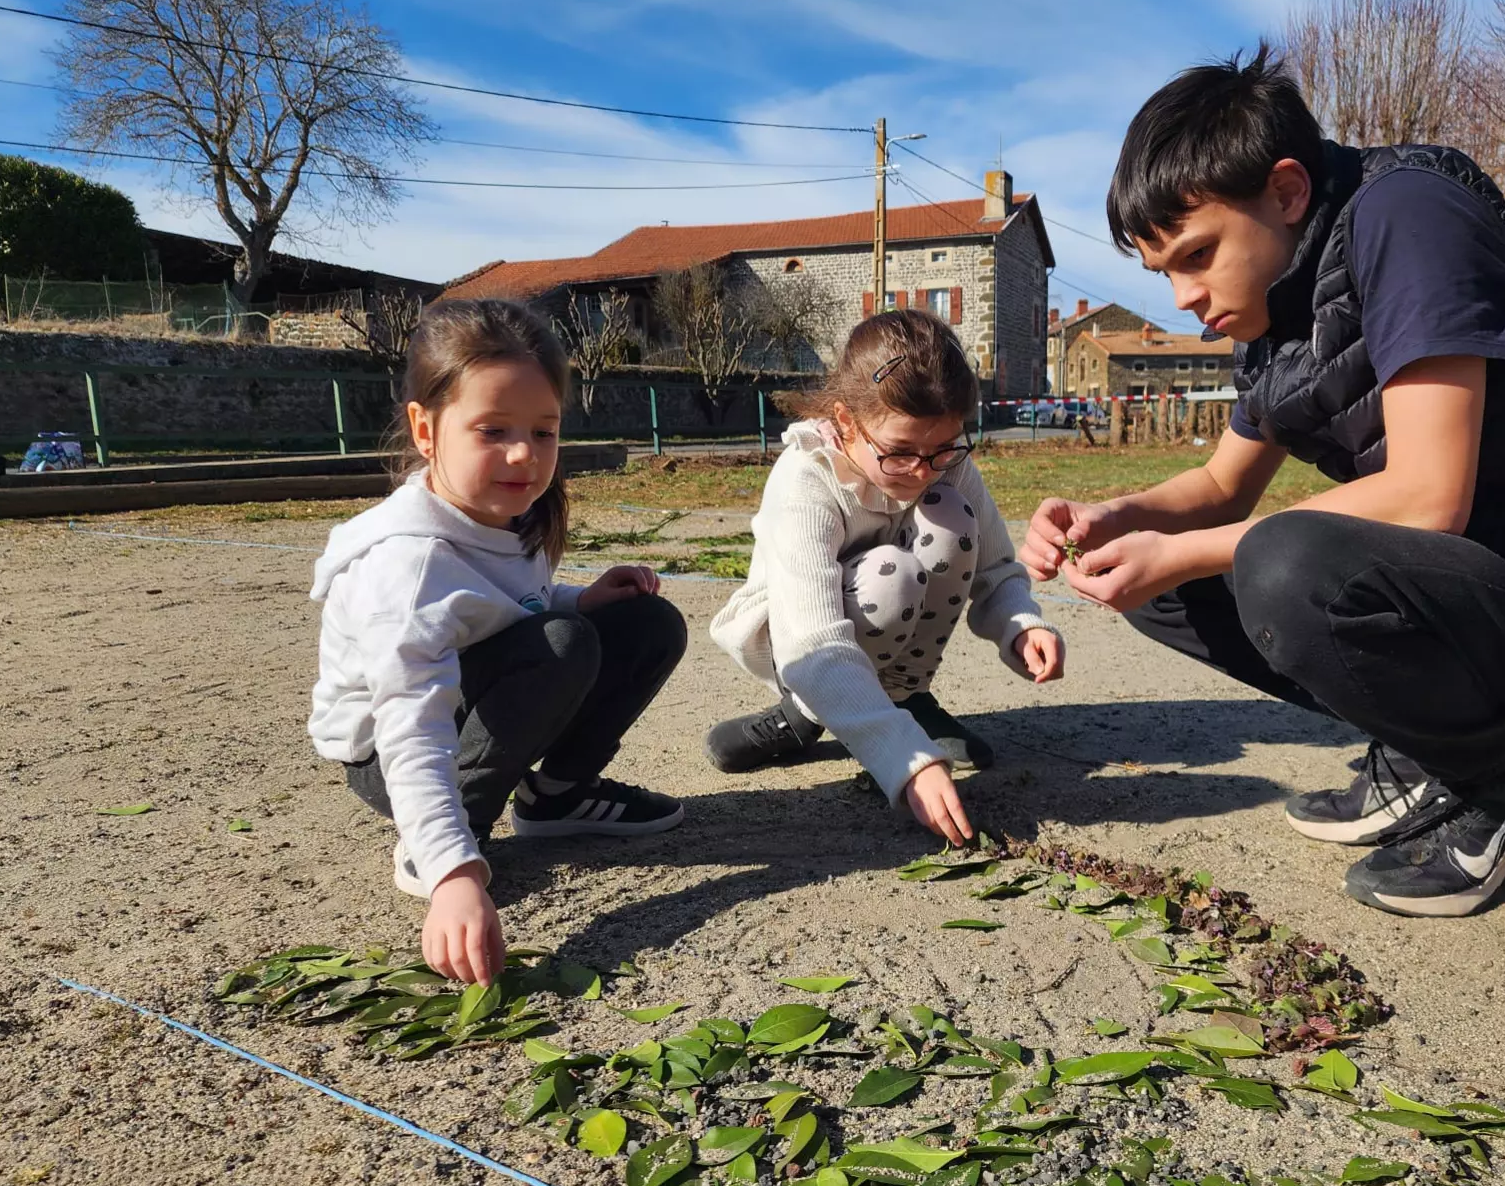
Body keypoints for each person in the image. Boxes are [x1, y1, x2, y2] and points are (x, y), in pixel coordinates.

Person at [1021, 48, 1505, 918]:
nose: (1184, 296)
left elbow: (1425, 496)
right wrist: (1108, 517)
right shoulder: (1276, 307)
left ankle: (1500, 786)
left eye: (1198, 255)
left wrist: (1188, 546)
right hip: (1486, 592)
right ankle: (1428, 753)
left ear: (1289, 191)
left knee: (1284, 560)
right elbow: (1222, 486)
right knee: (1152, 577)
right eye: (1165, 274)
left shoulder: (1408, 219)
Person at [308, 299, 688, 986]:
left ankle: (557, 799)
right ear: (426, 431)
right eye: (492, 430)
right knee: (562, 644)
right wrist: (452, 872)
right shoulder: (407, 563)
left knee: (644, 624)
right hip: (389, 757)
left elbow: (504, 608)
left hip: (467, 706)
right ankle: (449, 838)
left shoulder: (504, 511)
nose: (525, 455)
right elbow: (410, 723)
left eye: (544, 432)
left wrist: (583, 596)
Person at [706, 309, 1064, 845]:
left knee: (950, 519)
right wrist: (903, 757)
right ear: (847, 422)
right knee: (889, 574)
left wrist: (1019, 623)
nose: (923, 471)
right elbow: (813, 640)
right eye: (900, 453)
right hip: (795, 647)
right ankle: (803, 714)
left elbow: (993, 562)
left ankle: (905, 696)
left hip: (886, 628)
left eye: (943, 448)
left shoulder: (945, 462)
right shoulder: (807, 478)